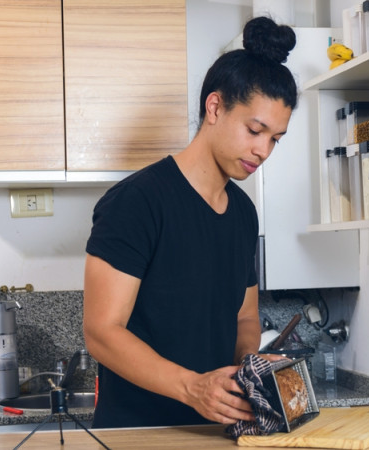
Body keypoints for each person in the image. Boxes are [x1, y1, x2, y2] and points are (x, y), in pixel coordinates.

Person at [82, 16, 297, 429]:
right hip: (137, 433)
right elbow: (102, 332)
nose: (264, 150)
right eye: (255, 130)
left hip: (215, 431)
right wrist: (191, 387)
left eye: (275, 138)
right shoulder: (137, 202)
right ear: (214, 107)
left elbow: (245, 318)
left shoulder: (242, 213)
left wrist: (249, 367)